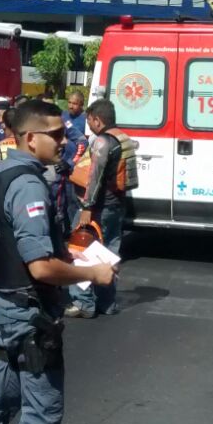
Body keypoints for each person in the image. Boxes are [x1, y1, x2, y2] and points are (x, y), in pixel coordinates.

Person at [0, 100, 117, 424]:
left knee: (3, 388)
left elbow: (14, 244)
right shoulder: (28, 186)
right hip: (30, 313)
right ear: (31, 138)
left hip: (5, 302)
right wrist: (96, 275)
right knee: (44, 407)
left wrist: (64, 257)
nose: (65, 140)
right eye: (55, 135)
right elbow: (39, 266)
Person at [66, 99, 137, 319]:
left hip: (98, 207)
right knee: (109, 253)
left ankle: (83, 302)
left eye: (90, 120)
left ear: (97, 119)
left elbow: (95, 177)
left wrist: (87, 206)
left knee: (82, 251)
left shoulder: (103, 142)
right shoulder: (123, 138)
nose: (89, 125)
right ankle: (107, 302)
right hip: (117, 204)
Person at [60, 89, 88, 168]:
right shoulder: (63, 115)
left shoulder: (86, 120)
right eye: (69, 102)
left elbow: (85, 143)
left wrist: (71, 162)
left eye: (75, 104)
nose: (71, 106)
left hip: (75, 161)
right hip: (61, 158)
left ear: (81, 104)